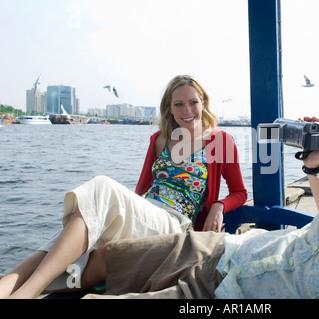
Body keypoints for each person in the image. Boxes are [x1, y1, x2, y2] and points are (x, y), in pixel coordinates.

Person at [76, 69, 319, 299]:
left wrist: (220, 203)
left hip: (231, 292)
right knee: (107, 259)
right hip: (228, 249)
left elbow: (237, 191)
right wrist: (317, 170)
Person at [0, 75, 247, 299]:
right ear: (169, 109)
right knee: (79, 224)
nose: (187, 110)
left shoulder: (220, 141)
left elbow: (240, 192)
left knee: (101, 188)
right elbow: (141, 190)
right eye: (178, 104)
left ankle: (25, 294)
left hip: (174, 223)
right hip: (145, 212)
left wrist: (218, 205)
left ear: (203, 102)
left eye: (193, 102)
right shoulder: (159, 139)